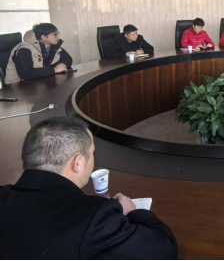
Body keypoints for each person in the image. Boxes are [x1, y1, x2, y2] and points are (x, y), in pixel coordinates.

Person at [0, 117, 178, 260]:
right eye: (92, 152)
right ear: (77, 163)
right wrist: (133, 212)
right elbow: (164, 249)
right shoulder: (94, 217)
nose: (93, 158)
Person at [5, 23, 73, 85]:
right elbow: (25, 73)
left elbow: (68, 60)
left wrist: (55, 68)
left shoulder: (53, 46)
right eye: (55, 34)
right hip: (19, 86)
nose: (58, 37)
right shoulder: (24, 49)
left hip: (40, 83)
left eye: (58, 33)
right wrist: (54, 70)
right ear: (44, 37)